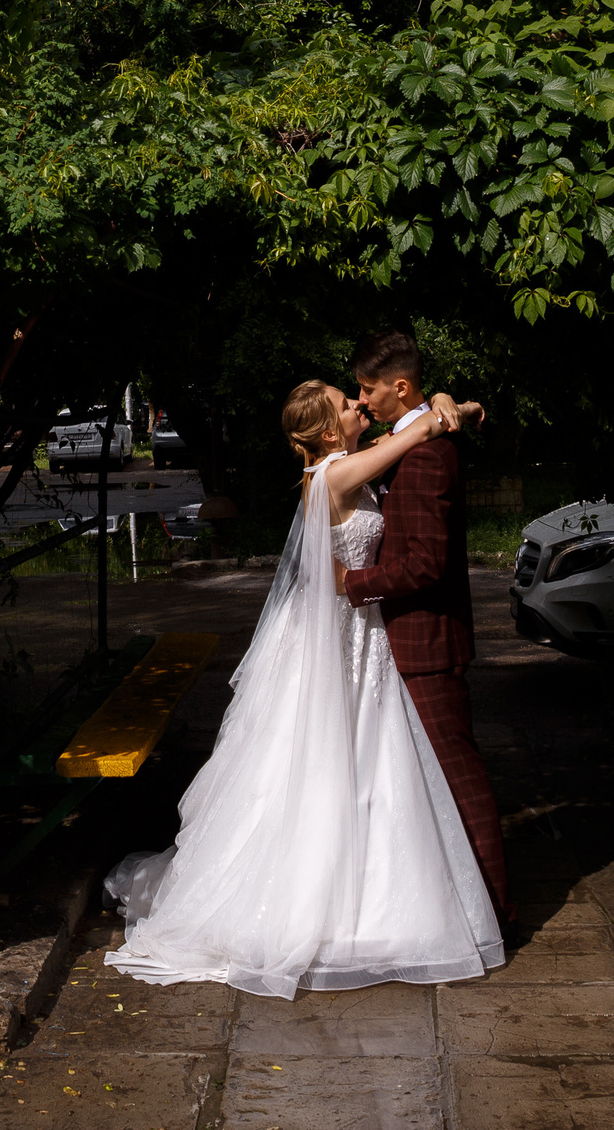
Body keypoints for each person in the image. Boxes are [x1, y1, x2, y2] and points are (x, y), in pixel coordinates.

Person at [101, 379, 504, 997]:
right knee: (325, 764)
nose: (359, 405)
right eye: (347, 404)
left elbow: (421, 424)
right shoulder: (332, 476)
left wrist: (453, 404)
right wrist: (442, 409)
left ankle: (375, 898)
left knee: (372, 761)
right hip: (336, 639)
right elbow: (418, 429)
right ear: (328, 431)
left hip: (361, 635)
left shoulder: (346, 466)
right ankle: (318, 906)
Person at [341, 327, 510, 929]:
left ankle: (497, 910)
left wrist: (352, 583)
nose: (362, 401)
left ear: (400, 386)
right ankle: (451, 905)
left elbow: (424, 565)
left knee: (458, 777)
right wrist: (449, 402)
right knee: (423, 781)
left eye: (368, 390)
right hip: (399, 640)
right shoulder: (412, 437)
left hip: (426, 640)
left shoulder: (427, 454)